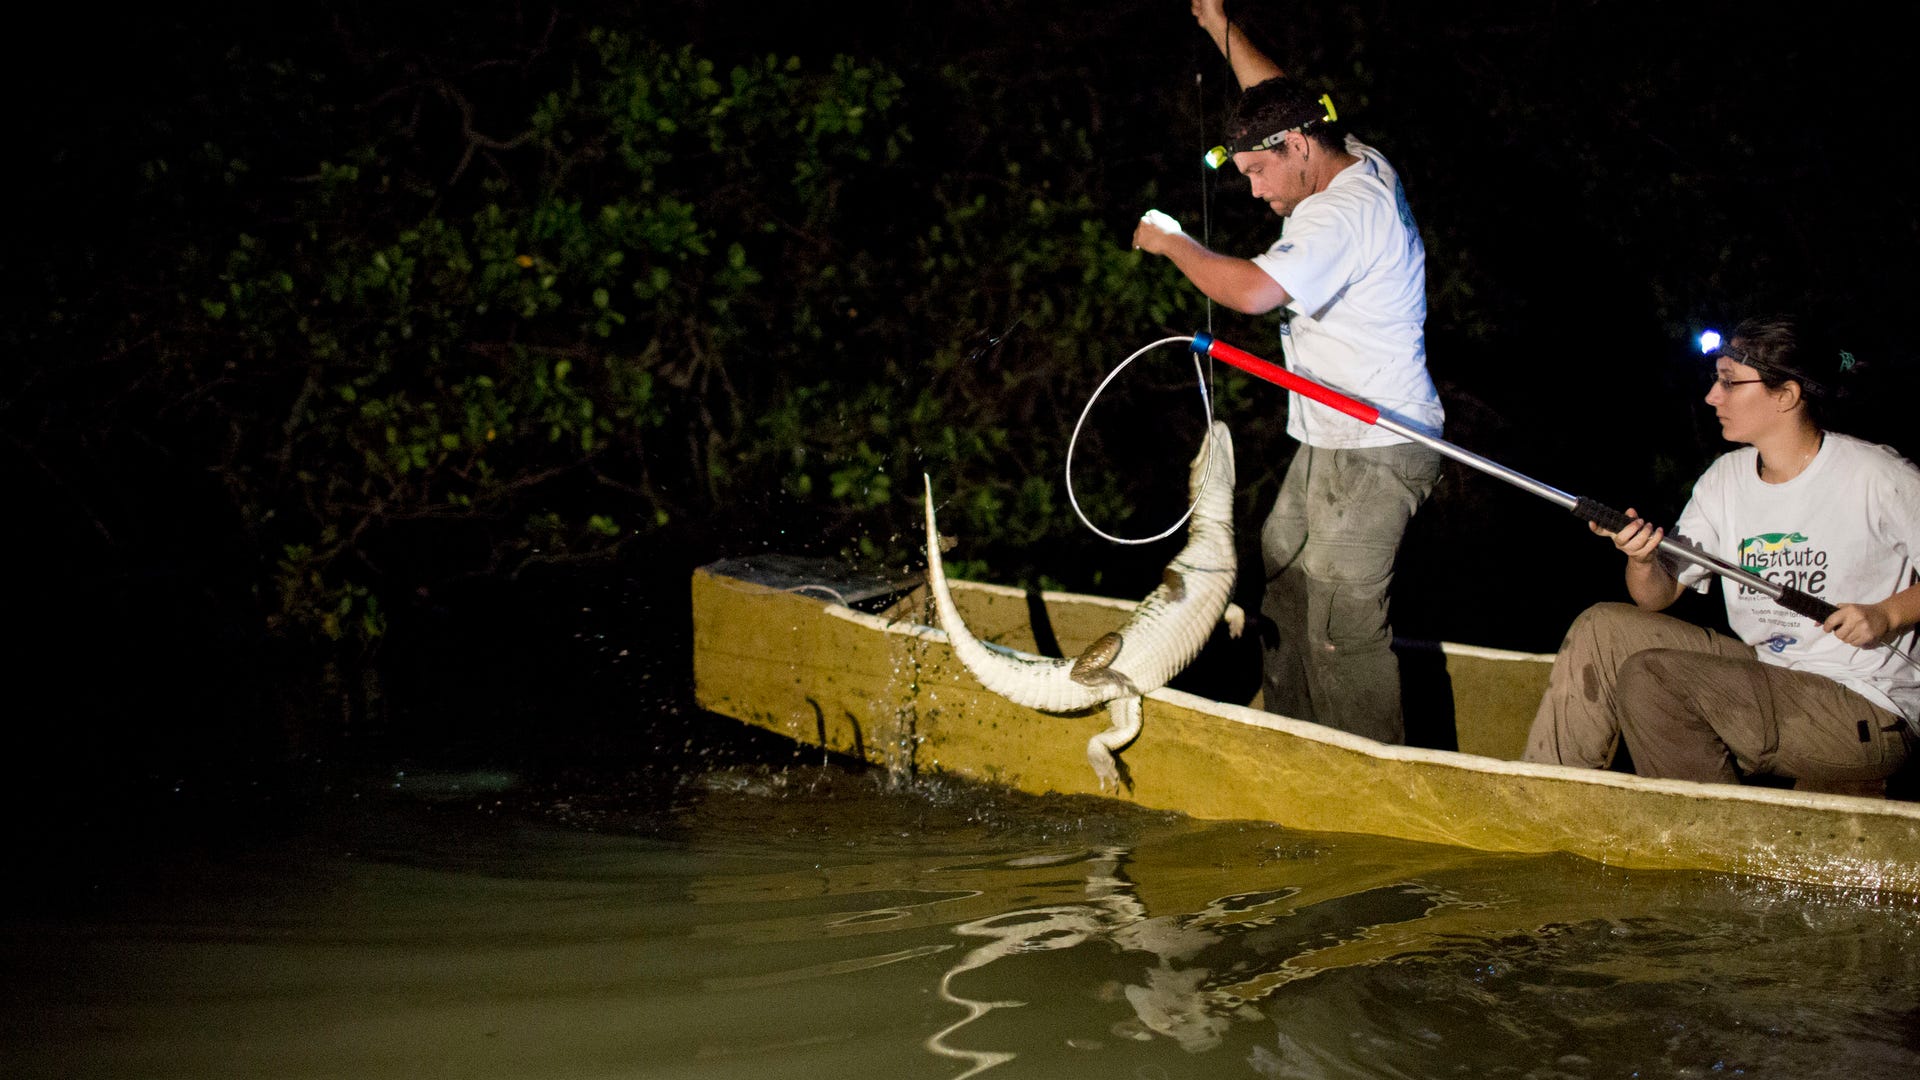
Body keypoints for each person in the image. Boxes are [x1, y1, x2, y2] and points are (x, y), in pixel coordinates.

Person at [1132, 0, 1443, 743]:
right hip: (1329, 441)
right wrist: (1220, 26)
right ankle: (1298, 741)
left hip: (1382, 447)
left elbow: (1252, 291)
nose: (1255, 191)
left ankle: (1379, 777)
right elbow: (1278, 95)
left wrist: (1174, 242)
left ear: (1301, 147)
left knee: (1341, 621)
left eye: (1259, 172)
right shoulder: (1343, 150)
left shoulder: (1344, 216)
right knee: (1281, 582)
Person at [1524, 315, 1920, 788]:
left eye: (1729, 383)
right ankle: (1545, 797)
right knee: (1604, 629)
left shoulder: (1877, 475)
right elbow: (1656, 597)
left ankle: (1704, 842)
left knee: (1656, 677)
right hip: (1769, 676)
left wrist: (1886, 614)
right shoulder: (1724, 480)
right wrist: (1643, 558)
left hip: (1863, 706)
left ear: (1786, 396)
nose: (1713, 396)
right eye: (1715, 380)